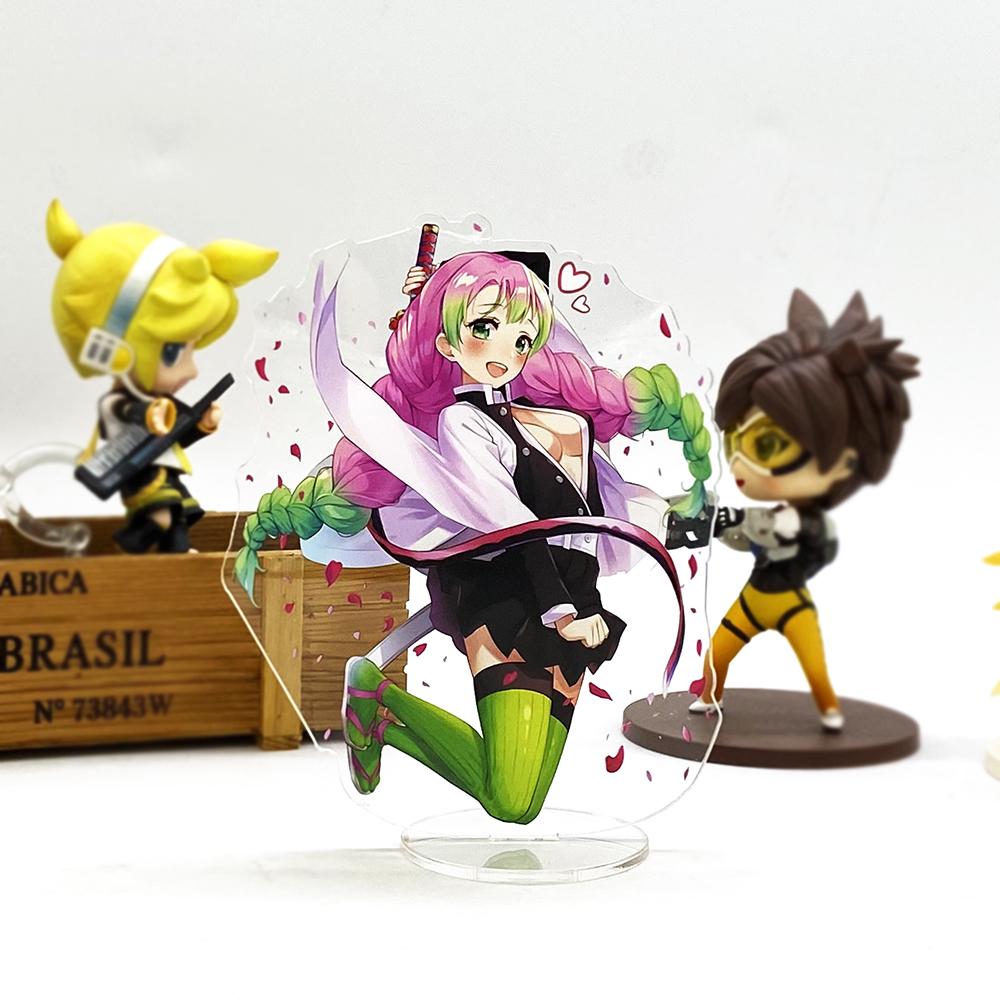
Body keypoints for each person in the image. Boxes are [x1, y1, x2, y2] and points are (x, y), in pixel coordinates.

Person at [311, 247, 708, 824]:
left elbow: (592, 521)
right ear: (447, 344)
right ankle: (379, 696)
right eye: (483, 328)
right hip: (511, 603)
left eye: (522, 337)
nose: (505, 349)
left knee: (524, 807)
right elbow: (512, 524)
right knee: (509, 799)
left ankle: (382, 717)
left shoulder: (567, 424)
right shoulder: (463, 424)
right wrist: (561, 613)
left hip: (577, 605)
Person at [680, 289, 919, 730]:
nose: (741, 466)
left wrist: (784, 539)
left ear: (843, 462)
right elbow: (740, 530)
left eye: (768, 445)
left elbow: (819, 552)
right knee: (717, 653)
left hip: (792, 604)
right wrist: (712, 524)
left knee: (815, 668)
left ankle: (829, 710)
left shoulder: (813, 525)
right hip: (753, 600)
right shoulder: (768, 517)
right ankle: (710, 697)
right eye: (736, 443)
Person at [47, 200, 276, 552]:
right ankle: (130, 551)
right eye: (172, 352)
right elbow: (125, 415)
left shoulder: (160, 403)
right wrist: (149, 415)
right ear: (113, 347)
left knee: (179, 516)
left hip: (163, 475)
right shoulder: (120, 401)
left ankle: (177, 559)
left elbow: (175, 437)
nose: (191, 370)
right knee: (162, 517)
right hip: (140, 478)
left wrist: (200, 426)